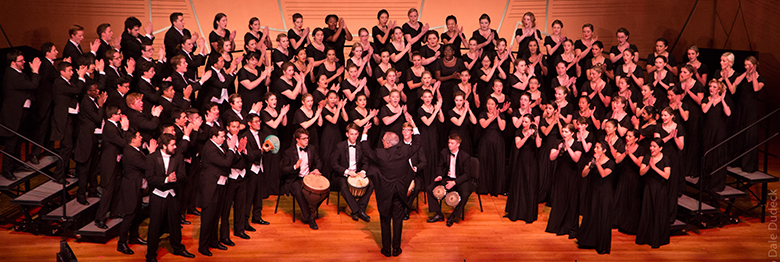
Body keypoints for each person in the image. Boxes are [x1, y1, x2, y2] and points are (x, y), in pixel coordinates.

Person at [359, 123, 417, 256]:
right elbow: (418, 143)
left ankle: (386, 249)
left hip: (386, 193)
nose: (382, 142)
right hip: (399, 192)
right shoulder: (406, 151)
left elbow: (366, 150)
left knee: (385, 220)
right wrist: (414, 126)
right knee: (398, 220)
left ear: (388, 143)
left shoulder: (380, 154)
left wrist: (365, 133)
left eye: (383, 141)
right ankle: (396, 248)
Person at [145, 132, 196, 262]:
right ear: (163, 146)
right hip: (158, 196)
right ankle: (151, 254)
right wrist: (167, 179)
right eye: (172, 145)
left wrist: (176, 178)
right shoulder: (152, 158)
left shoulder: (178, 157)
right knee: (155, 226)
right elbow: (150, 179)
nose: (175, 147)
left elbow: (183, 176)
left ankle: (178, 248)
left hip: (172, 195)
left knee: (175, 225)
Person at [198, 127, 239, 256]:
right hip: (211, 188)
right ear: (214, 137)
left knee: (216, 215)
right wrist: (232, 147)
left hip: (220, 185)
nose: (224, 139)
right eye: (221, 136)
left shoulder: (218, 146)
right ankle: (203, 246)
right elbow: (226, 162)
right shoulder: (210, 148)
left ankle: (213, 241)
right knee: (208, 217)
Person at [0, 50, 40, 180]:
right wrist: (35, 71)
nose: (23, 63)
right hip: (12, 116)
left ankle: (16, 164)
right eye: (21, 61)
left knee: (18, 142)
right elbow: (33, 85)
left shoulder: (18, 73)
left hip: (20, 113)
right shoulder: (13, 75)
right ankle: (6, 170)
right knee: (11, 144)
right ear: (13, 62)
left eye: (23, 60)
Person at [114, 131, 151, 255]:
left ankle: (134, 236)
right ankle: (122, 243)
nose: (141, 138)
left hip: (136, 186)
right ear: (133, 140)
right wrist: (152, 152)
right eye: (139, 136)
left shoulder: (134, 150)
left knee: (136, 213)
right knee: (130, 215)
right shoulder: (131, 152)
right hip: (131, 187)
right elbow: (146, 165)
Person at [281, 128, 324, 230]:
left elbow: (319, 161)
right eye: (304, 139)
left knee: (324, 191)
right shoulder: (289, 152)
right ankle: (309, 218)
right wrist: (295, 167)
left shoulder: (311, 149)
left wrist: (317, 169)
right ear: (297, 139)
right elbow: (283, 170)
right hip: (295, 179)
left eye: (307, 138)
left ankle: (310, 211)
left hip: (308, 177)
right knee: (299, 191)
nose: (307, 141)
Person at [577, 141, 616, 254]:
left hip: (604, 194)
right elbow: (583, 174)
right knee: (591, 214)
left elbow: (603, 174)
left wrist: (597, 162)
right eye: (595, 147)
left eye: (597, 147)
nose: (595, 149)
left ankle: (601, 245)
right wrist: (590, 166)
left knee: (602, 217)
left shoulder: (610, 163)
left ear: (604, 150)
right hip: (593, 192)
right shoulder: (591, 161)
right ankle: (588, 241)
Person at [545, 123, 583, 236]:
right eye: (563, 131)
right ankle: (557, 225)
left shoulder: (577, 144)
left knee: (571, 199)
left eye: (566, 132)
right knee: (559, 198)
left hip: (572, 175)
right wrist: (559, 149)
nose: (564, 134)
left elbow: (576, 159)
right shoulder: (557, 142)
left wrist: (568, 147)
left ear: (572, 133)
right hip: (560, 174)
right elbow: (551, 157)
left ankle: (570, 227)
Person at [73, 80, 106, 205]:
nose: (97, 91)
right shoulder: (86, 103)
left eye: (97, 89)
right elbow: (98, 118)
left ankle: (92, 190)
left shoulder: (92, 101)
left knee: (93, 167)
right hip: (85, 141)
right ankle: (81, 195)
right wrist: (101, 105)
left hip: (92, 139)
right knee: (85, 170)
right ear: (88, 92)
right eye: (94, 90)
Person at [505, 113, 541, 223]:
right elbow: (518, 145)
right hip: (521, 161)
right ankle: (515, 212)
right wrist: (526, 136)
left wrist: (536, 132)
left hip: (532, 163)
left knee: (529, 186)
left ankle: (528, 214)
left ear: (531, 122)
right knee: (518, 186)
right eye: (523, 121)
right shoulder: (518, 132)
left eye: (526, 122)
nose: (524, 124)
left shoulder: (535, 133)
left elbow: (538, 145)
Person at [636, 138, 672, 248]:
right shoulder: (647, 157)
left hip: (660, 189)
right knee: (648, 211)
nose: (651, 148)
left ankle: (657, 238)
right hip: (649, 188)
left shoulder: (666, 159)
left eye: (654, 146)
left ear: (660, 148)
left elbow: (667, 175)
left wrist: (654, 168)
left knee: (658, 212)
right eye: (651, 146)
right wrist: (648, 166)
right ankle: (646, 237)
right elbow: (641, 172)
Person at [333, 123, 373, 222]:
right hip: (344, 174)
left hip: (357, 174)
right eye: (351, 134)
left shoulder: (360, 146)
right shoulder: (340, 146)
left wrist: (363, 171)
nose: (354, 136)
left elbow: (366, 162)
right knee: (343, 186)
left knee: (371, 184)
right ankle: (357, 211)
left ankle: (360, 209)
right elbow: (334, 164)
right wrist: (347, 171)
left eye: (355, 134)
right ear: (347, 134)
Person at [241, 114, 272, 227]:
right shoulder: (245, 136)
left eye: (259, 121)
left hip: (260, 168)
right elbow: (248, 155)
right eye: (256, 122)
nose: (259, 123)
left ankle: (257, 217)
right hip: (251, 170)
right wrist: (261, 150)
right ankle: (244, 221)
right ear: (249, 123)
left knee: (259, 195)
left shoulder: (262, 135)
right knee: (249, 197)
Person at [701, 80, 731, 192]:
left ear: (719, 89)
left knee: (718, 154)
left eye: (714, 87)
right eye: (710, 86)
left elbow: (728, 113)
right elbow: (704, 110)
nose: (711, 89)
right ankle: (707, 181)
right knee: (708, 154)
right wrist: (712, 99)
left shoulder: (724, 100)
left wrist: (722, 100)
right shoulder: (706, 99)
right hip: (708, 130)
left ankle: (717, 182)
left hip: (719, 131)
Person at [614, 129, 646, 234]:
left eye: (630, 136)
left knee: (632, 200)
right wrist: (625, 153)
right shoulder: (622, 146)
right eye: (627, 136)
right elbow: (617, 160)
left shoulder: (640, 149)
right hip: (623, 176)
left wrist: (630, 154)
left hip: (634, 178)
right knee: (621, 199)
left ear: (636, 139)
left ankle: (629, 224)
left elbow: (639, 163)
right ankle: (618, 222)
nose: (627, 138)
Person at [448, 91, 477, 155]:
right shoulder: (451, 112)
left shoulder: (466, 110)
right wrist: (465, 110)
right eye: (457, 100)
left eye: (460, 100)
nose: (458, 103)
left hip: (465, 137)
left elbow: (474, 122)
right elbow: (458, 123)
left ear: (463, 101)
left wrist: (469, 109)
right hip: (455, 138)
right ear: (454, 101)